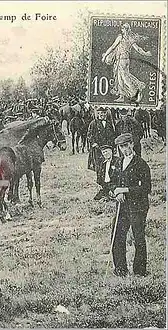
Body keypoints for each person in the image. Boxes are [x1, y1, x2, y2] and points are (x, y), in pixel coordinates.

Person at [109, 133, 151, 277]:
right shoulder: (117, 163)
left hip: (138, 206)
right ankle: (120, 269)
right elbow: (112, 182)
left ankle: (139, 272)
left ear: (132, 144)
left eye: (127, 146)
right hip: (122, 206)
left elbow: (146, 188)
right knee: (117, 236)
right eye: (121, 147)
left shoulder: (141, 164)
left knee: (138, 237)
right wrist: (116, 191)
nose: (125, 149)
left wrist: (125, 190)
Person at [102, 23, 152, 103]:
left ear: (125, 29)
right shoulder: (130, 38)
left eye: (123, 29)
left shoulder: (120, 37)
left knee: (123, 78)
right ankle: (122, 96)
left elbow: (113, 47)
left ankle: (135, 92)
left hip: (121, 60)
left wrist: (105, 56)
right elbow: (138, 49)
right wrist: (145, 53)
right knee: (121, 78)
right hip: (126, 60)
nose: (122, 30)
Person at [87, 107, 117, 178]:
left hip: (108, 147)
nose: (102, 114)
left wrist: (114, 146)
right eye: (100, 113)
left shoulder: (109, 123)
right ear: (97, 113)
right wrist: (93, 143)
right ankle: (100, 180)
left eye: (104, 113)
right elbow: (89, 135)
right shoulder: (93, 123)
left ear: (106, 113)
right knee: (99, 165)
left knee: (109, 164)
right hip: (98, 148)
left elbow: (113, 135)